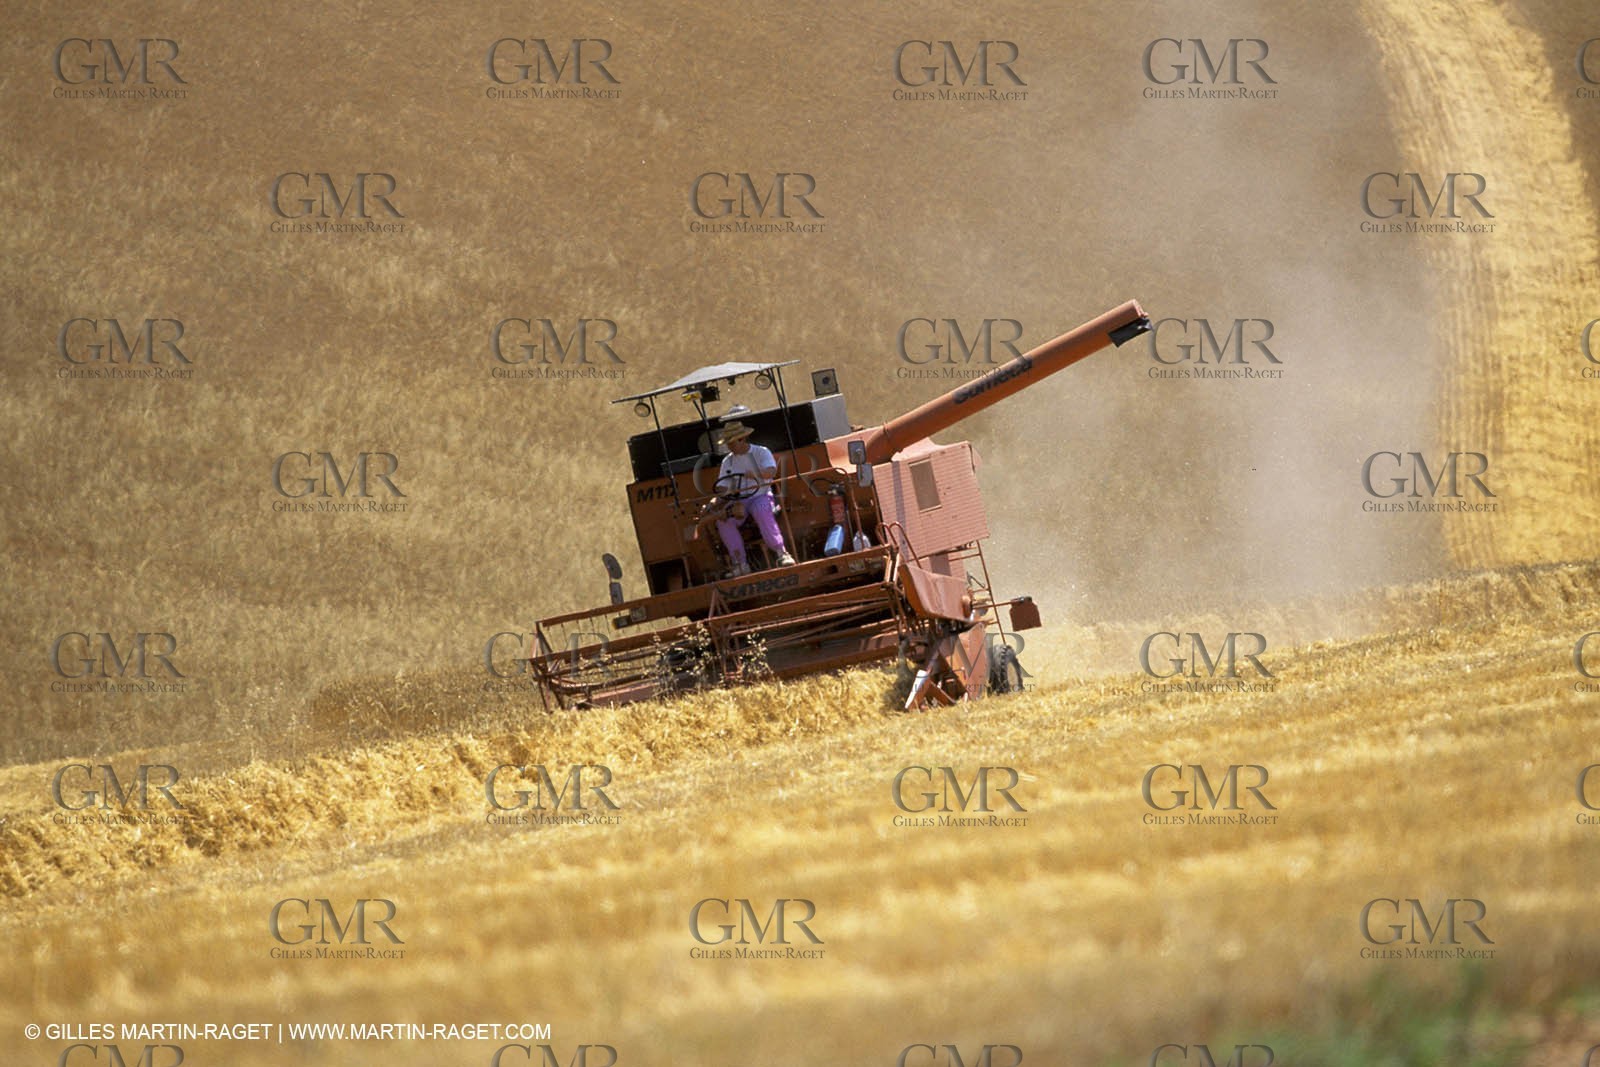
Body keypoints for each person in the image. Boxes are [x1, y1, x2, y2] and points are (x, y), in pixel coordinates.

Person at [712, 422, 795, 576]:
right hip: (738, 500)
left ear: (742, 439)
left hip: (761, 495)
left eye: (731, 442)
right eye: (728, 443)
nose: (729, 446)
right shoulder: (727, 461)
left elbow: (771, 472)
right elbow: (722, 485)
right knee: (723, 520)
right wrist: (725, 493)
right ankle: (740, 564)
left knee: (761, 510)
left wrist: (755, 474)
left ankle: (781, 553)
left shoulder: (761, 452)